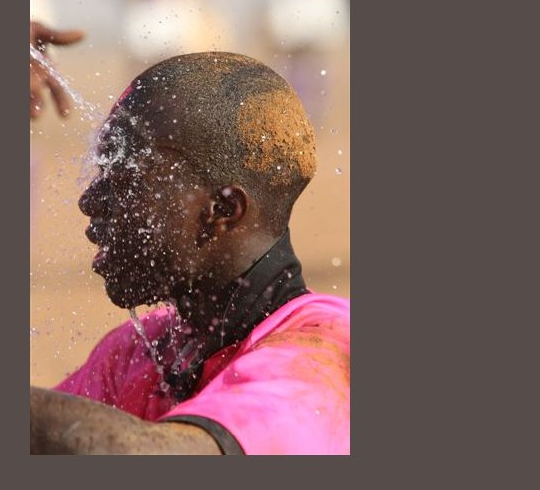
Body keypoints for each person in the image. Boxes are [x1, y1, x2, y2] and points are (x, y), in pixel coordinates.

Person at [29, 46, 350, 455]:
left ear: (223, 210)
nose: (90, 200)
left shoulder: (322, 351)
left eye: (126, 181)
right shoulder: (145, 349)